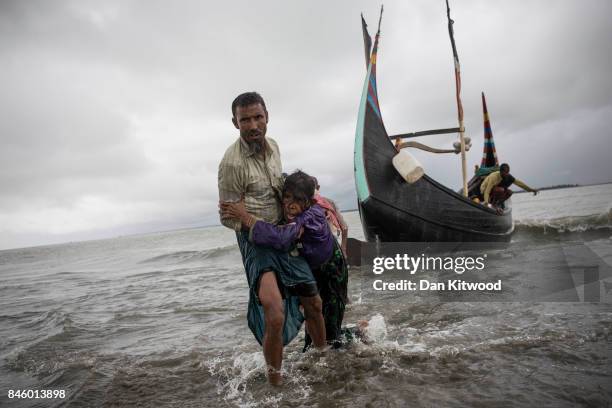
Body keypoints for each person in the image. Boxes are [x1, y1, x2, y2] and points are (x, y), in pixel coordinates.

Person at [217, 92, 326, 386]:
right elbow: (227, 217)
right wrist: (254, 223)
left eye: (258, 117)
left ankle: (323, 359)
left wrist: (305, 202)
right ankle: (275, 385)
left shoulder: (274, 147)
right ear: (235, 123)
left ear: (267, 117)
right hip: (256, 242)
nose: (253, 125)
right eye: (245, 120)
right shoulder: (231, 164)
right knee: (274, 313)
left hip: (283, 234)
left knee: (314, 302)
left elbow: (281, 189)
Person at [221, 170, 349, 350]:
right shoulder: (296, 212)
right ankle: (317, 357)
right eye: (287, 197)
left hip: (332, 272)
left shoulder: (309, 216)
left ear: (309, 202)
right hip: (315, 270)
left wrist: (246, 218)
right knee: (313, 328)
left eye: (298, 200)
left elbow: (282, 237)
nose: (290, 205)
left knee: (331, 333)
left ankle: (359, 335)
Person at [311, 177, 349, 257]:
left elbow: (344, 227)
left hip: (320, 248)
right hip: (331, 244)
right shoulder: (329, 202)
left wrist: (343, 248)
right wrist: (343, 248)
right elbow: (344, 227)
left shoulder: (304, 204)